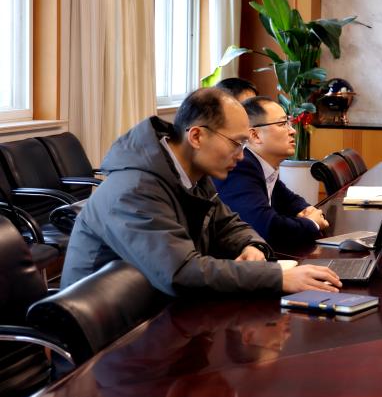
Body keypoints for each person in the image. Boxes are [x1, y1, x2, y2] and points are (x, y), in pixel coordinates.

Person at [61, 88, 341, 295]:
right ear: (196, 136)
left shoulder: (192, 172)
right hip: (108, 338)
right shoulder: (134, 190)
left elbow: (229, 224)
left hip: (155, 310)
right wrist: (277, 277)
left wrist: (251, 246)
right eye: (236, 143)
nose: (241, 155)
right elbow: (180, 272)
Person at [213, 96, 329, 247]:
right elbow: (267, 229)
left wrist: (308, 211)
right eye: (282, 124)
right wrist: (312, 223)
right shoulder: (241, 166)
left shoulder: (261, 165)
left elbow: (290, 201)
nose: (293, 131)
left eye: (289, 123)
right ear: (254, 135)